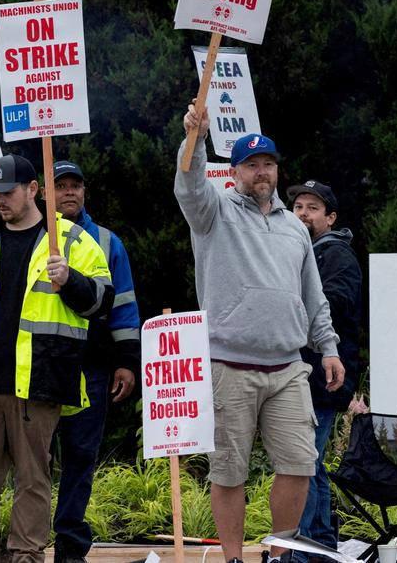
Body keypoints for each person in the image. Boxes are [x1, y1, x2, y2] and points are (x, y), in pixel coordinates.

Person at [173, 104, 344, 563]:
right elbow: (189, 183)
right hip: (229, 365)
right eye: (251, 164)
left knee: (300, 465)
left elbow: (313, 297)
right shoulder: (212, 211)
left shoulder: (294, 227)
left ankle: (278, 553)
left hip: (289, 366)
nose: (261, 171)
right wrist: (196, 137)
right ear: (235, 172)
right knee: (229, 472)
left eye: (268, 163)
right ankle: (232, 558)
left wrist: (327, 347)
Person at [0, 154, 113, 563]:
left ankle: (26, 556)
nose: (0, 201)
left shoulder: (70, 239)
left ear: (33, 190)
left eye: (8, 192)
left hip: (39, 380)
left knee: (33, 479)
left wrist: (70, 280)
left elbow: (101, 302)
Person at [49, 160, 141, 563]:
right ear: (43, 192)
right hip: (38, 367)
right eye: (61, 186)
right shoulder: (29, 235)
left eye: (76, 186)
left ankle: (70, 544)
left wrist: (126, 361)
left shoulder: (107, 241)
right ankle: (29, 540)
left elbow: (124, 305)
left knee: (81, 454)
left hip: (90, 367)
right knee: (34, 459)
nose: (69, 192)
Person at [286, 180, 363, 557]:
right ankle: (318, 546)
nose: (303, 214)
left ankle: (307, 550)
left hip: (324, 377)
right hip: (305, 374)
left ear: (330, 218)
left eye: (312, 208)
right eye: (298, 206)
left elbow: (332, 306)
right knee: (309, 463)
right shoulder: (301, 253)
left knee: (305, 462)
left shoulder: (336, 256)